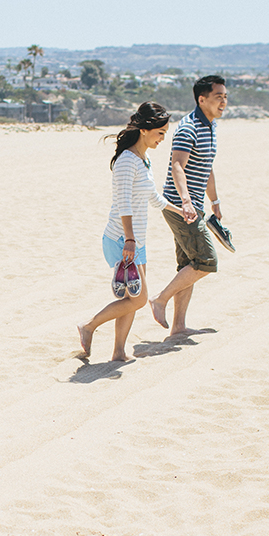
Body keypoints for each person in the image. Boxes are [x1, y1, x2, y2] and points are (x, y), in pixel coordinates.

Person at [76, 102, 195, 362]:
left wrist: (182, 211)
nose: (163, 138)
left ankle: (118, 352)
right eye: (160, 133)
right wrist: (129, 239)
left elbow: (154, 198)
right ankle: (88, 326)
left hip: (135, 239)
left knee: (131, 297)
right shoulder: (127, 161)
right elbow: (123, 203)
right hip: (122, 238)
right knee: (139, 299)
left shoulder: (144, 159)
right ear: (144, 130)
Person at [150, 75, 229, 335]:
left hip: (193, 205)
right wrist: (186, 201)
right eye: (219, 97)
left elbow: (207, 168)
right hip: (179, 205)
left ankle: (179, 327)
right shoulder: (189, 127)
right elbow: (177, 165)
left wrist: (214, 201)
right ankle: (159, 299)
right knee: (205, 261)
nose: (223, 102)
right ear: (201, 99)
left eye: (225, 97)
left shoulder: (210, 126)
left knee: (188, 264)